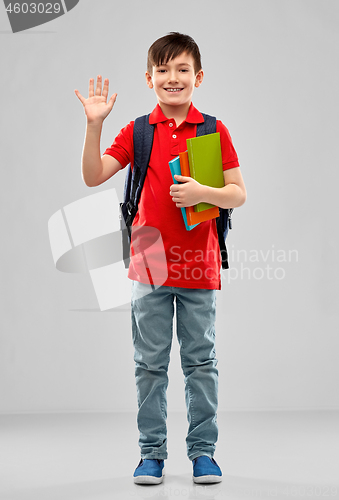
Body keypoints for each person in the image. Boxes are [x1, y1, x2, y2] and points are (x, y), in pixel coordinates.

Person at [75, 32, 246, 485]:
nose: (173, 78)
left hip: (199, 263)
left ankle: (203, 453)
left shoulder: (213, 129)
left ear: (199, 77)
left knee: (200, 363)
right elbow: (94, 175)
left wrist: (202, 192)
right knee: (149, 365)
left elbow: (238, 193)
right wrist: (94, 125)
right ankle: (151, 454)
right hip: (148, 263)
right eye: (164, 70)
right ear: (149, 78)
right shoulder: (138, 130)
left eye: (183, 69)